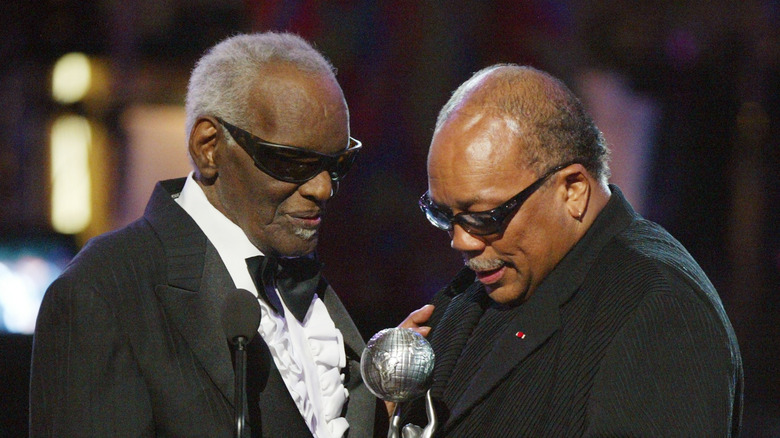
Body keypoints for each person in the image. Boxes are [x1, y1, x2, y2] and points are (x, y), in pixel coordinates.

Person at [30, 32, 384, 437]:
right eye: (292, 161)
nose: (322, 188)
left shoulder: (305, 286)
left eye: (338, 164)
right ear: (209, 146)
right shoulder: (102, 292)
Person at [400, 64, 743, 436]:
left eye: (485, 217)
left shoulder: (660, 308)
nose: (461, 241)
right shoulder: (477, 290)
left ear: (573, 190)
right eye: (442, 215)